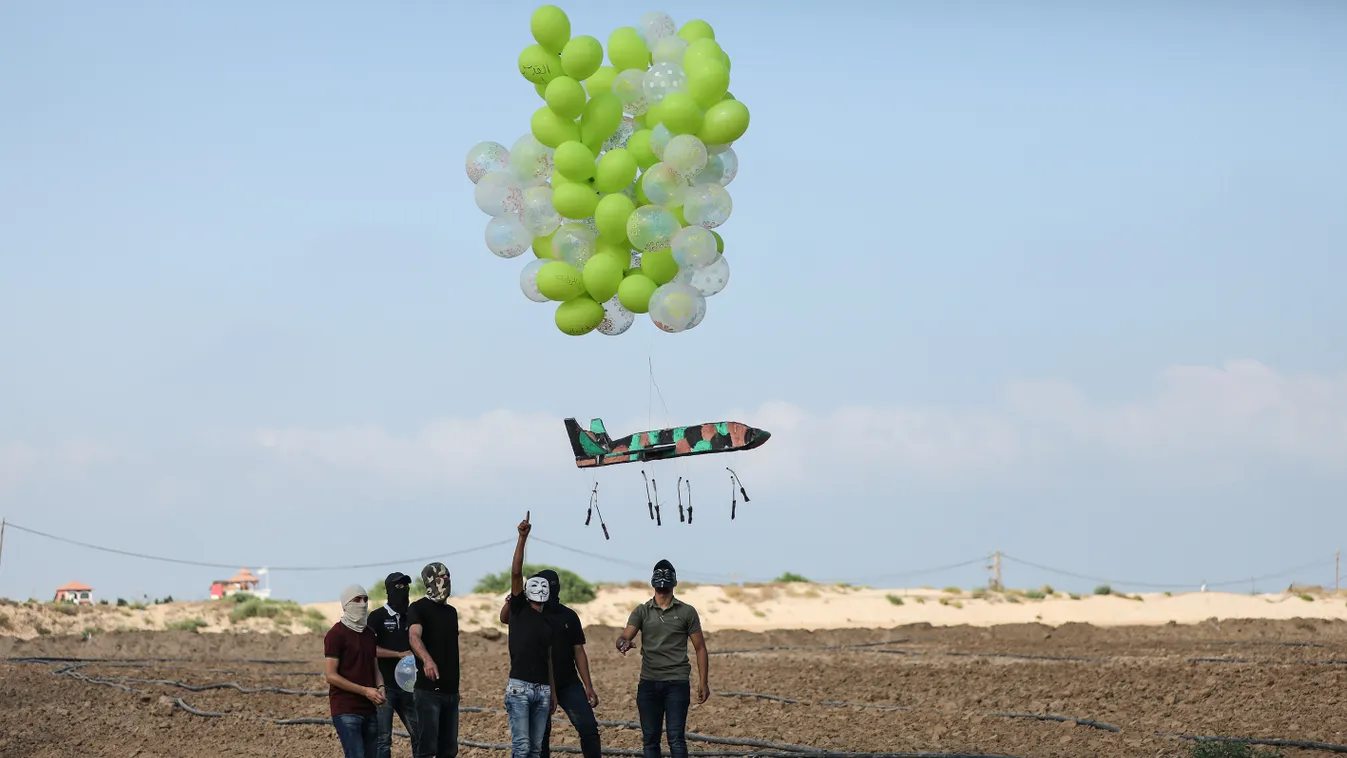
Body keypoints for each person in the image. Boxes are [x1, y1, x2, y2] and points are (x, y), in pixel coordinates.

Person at [500, 568, 601, 758]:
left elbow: (578, 650)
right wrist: (511, 600)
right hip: (539, 683)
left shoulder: (569, 616)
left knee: (588, 728)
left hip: (569, 683)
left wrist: (588, 685)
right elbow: (506, 618)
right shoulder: (529, 613)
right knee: (540, 739)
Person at [615, 560, 709, 758]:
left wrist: (703, 682)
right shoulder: (642, 611)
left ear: (674, 583)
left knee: (676, 738)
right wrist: (623, 643)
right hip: (649, 682)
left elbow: (700, 648)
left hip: (677, 682)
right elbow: (624, 636)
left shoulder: (686, 612)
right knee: (650, 739)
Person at [504, 514, 557, 758]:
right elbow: (516, 571)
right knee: (522, 747)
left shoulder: (548, 621)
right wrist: (522, 538)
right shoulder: (519, 609)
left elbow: (548, 658)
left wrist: (552, 692)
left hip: (543, 690)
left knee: (536, 749)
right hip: (519, 687)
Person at [325, 584, 387, 758]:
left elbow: (374, 666)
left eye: (365, 599)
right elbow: (331, 675)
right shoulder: (336, 634)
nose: (362, 603)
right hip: (346, 708)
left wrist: (381, 686)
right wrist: (364, 690)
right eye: (357, 599)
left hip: (369, 708)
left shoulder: (369, 634)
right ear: (345, 604)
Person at [408, 562, 460, 758]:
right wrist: (427, 660)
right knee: (428, 749)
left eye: (447, 577)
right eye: (439, 578)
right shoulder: (418, 608)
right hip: (428, 691)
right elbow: (414, 636)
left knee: (448, 750)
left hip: (451, 691)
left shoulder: (451, 612)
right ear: (429, 581)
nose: (445, 581)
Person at [369, 571, 420, 758]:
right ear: (389, 590)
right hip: (385, 686)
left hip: (409, 686)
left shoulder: (412, 617)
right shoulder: (376, 617)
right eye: (399, 587)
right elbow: (370, 649)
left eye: (406, 587)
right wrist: (397, 654)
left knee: (419, 734)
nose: (404, 590)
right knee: (383, 738)